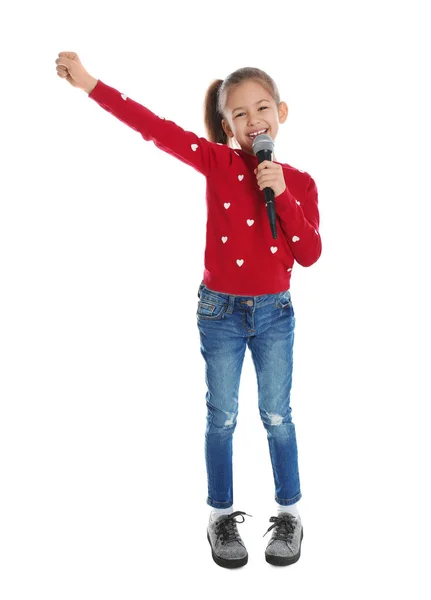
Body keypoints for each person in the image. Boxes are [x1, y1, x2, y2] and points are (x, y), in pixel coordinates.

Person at [55, 51, 322, 569]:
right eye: (240, 114)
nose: (253, 121)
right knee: (221, 416)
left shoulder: (300, 182)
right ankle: (219, 516)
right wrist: (90, 83)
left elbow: (309, 254)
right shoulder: (218, 163)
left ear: (282, 113)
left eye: (262, 108)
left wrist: (282, 192)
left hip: (274, 314)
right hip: (219, 312)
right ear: (226, 125)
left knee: (276, 414)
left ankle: (289, 512)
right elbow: (152, 127)